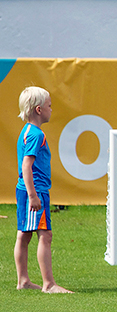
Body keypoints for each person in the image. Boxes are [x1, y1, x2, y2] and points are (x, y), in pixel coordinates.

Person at [14, 86, 73, 294]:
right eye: (49, 106)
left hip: (26, 189)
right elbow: (26, 165)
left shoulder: (27, 132)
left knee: (24, 234)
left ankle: (23, 280)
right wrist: (33, 195)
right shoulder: (36, 135)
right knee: (44, 235)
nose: (51, 109)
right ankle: (48, 284)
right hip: (35, 190)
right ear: (39, 109)